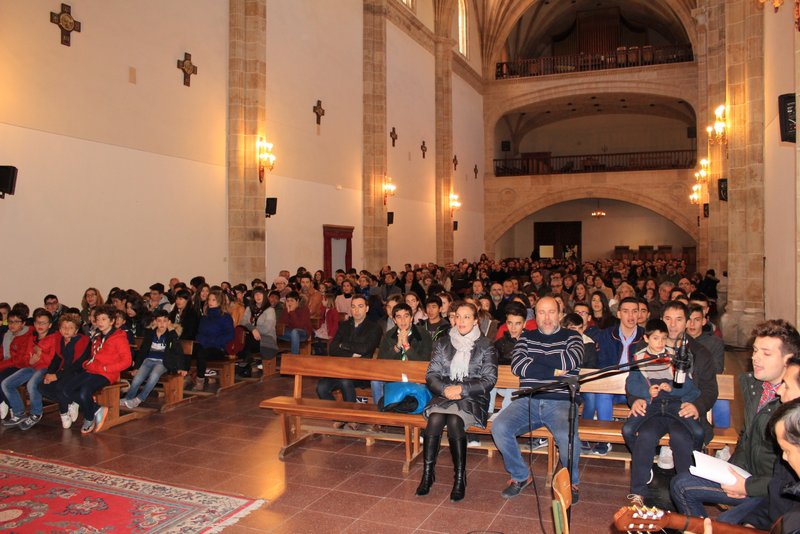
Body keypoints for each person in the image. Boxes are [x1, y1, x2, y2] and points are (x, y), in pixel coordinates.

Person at [671, 319, 797, 525]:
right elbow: (746, 438)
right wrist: (730, 475)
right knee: (681, 483)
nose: (755, 358)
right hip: (749, 478)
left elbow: (787, 480)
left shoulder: (792, 404)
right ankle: (702, 529)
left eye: (766, 353)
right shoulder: (757, 388)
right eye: (755, 350)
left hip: (774, 493)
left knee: (726, 523)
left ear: (788, 359)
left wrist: (746, 487)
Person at [491, 296, 584, 501]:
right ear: (535, 315)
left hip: (561, 401)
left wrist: (535, 360)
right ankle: (521, 476)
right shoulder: (526, 337)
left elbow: (571, 360)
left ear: (560, 314)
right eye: (541, 312)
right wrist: (556, 369)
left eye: (551, 312)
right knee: (499, 427)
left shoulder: (573, 337)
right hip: (527, 400)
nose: (547, 317)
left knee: (567, 437)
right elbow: (518, 366)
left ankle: (572, 482)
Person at [415, 302, 497, 502]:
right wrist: (445, 389)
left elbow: (489, 380)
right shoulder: (443, 342)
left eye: (466, 317)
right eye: (457, 316)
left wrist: (462, 389)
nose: (461, 321)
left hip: (473, 397)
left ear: (476, 320)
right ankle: (428, 474)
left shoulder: (486, 345)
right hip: (445, 395)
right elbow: (432, 374)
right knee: (434, 419)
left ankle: (459, 478)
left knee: (453, 421)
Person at [623, 319, 705, 500]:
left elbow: (689, 386)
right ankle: (639, 487)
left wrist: (672, 386)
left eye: (663, 338)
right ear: (646, 338)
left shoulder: (676, 356)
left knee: (697, 432)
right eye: (655, 338)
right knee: (631, 431)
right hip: (652, 404)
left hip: (674, 403)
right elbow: (631, 383)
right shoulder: (639, 358)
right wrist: (646, 392)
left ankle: (688, 488)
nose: (660, 343)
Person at [62, 305, 132, 433]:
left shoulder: (119, 338)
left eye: (104, 319)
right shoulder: (98, 337)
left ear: (112, 321)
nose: (100, 322)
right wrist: (86, 363)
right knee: (66, 389)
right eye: (98, 319)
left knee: (84, 391)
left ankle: (89, 418)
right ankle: (95, 408)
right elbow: (92, 356)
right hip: (92, 370)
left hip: (107, 373)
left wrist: (106, 367)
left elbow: (127, 362)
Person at [315, 294, 382, 427]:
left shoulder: (374, 328)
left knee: (345, 381)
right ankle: (340, 416)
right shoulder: (344, 325)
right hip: (340, 369)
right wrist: (351, 354)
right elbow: (333, 349)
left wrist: (344, 345)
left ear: (367, 309)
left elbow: (365, 349)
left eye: (360, 306)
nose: (356, 310)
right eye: (353, 307)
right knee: (321, 387)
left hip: (362, 372)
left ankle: (352, 418)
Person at [1, 308, 58, 430]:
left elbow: (54, 360)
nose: (40, 325)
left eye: (43, 323)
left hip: (45, 368)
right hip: (32, 367)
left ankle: (36, 413)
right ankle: (19, 413)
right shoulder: (32, 337)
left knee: (32, 384)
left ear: (50, 325)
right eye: (37, 322)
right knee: (6, 383)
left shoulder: (54, 338)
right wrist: (30, 361)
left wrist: (40, 354)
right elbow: (27, 356)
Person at [121, 309, 186, 408]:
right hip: (148, 360)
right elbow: (143, 351)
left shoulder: (171, 335)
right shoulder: (150, 334)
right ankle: (128, 398)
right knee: (137, 378)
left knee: (154, 375)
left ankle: (139, 399)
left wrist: (182, 367)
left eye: (164, 321)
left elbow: (178, 351)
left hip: (162, 362)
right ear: (155, 322)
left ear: (169, 322)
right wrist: (136, 367)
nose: (162, 324)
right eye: (159, 321)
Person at [374, 303, 432, 404]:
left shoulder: (424, 335)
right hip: (394, 374)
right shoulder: (388, 335)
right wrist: (397, 347)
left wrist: (406, 346)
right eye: (399, 317)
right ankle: (380, 409)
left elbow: (425, 362)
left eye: (406, 316)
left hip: (416, 375)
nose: (403, 320)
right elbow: (381, 362)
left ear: (411, 318)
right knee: (375, 381)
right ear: (394, 320)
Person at [39, 313, 89, 429]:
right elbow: (56, 359)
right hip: (64, 372)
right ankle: (71, 401)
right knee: (42, 386)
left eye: (70, 328)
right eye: (63, 327)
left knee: (60, 387)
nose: (66, 330)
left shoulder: (83, 341)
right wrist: (49, 374)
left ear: (76, 330)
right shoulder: (60, 340)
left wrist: (57, 376)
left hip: (80, 372)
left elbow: (77, 365)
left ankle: (63, 412)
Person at [192, 289, 235, 390]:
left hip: (218, 348)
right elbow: (199, 333)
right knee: (189, 350)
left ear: (219, 301)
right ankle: (185, 376)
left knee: (201, 353)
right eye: (209, 300)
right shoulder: (205, 317)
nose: (210, 302)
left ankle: (200, 381)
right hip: (205, 345)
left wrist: (212, 341)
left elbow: (230, 335)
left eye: (213, 300)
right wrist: (203, 341)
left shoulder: (225, 317)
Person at [0, 309, 33, 420]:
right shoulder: (7, 335)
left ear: (23, 323)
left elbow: (19, 360)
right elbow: (3, 352)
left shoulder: (27, 335)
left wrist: (1, 365)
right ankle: (3, 401)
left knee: (3, 379)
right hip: (9, 363)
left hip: (22, 366)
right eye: (10, 321)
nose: (12, 324)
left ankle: (11, 406)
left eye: (16, 321)